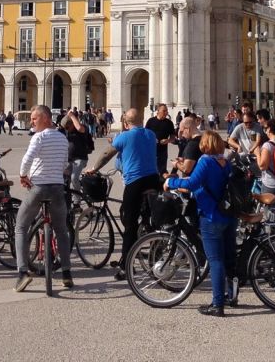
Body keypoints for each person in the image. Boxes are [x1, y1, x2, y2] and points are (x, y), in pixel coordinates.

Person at [163, 130, 234, 316]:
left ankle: (217, 304)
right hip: (227, 214)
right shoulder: (225, 162)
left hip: (210, 215)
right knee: (227, 258)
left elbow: (192, 183)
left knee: (215, 260)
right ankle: (230, 295)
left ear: (205, 144)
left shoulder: (206, 161)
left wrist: (171, 182)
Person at [85, 107, 159, 281]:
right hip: (153, 179)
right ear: (142, 120)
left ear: (126, 123)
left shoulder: (124, 136)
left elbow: (106, 154)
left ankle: (126, 266)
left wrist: (94, 168)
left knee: (129, 223)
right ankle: (151, 239)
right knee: (150, 218)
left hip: (136, 181)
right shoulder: (151, 135)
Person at [14, 105, 75, 291]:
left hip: (38, 187)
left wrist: (23, 176)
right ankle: (66, 273)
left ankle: (22, 273)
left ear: (46, 119)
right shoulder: (63, 138)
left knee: (21, 227)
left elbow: (27, 159)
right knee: (62, 230)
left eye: (34, 118)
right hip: (57, 188)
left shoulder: (39, 137)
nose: (31, 122)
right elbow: (65, 164)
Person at [63, 110, 94, 191]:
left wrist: (72, 116)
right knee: (63, 178)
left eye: (67, 127)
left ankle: (77, 200)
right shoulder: (67, 131)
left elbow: (79, 128)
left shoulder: (83, 128)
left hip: (80, 158)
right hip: (69, 159)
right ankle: (67, 198)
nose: (66, 129)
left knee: (74, 178)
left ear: (73, 123)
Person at [145, 103, 176, 176]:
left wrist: (167, 140)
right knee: (151, 171)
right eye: (164, 111)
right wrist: (152, 139)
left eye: (167, 111)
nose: (166, 113)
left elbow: (173, 137)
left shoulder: (169, 123)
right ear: (158, 111)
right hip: (151, 150)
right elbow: (145, 134)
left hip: (163, 151)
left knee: (162, 171)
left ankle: (162, 185)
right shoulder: (151, 121)